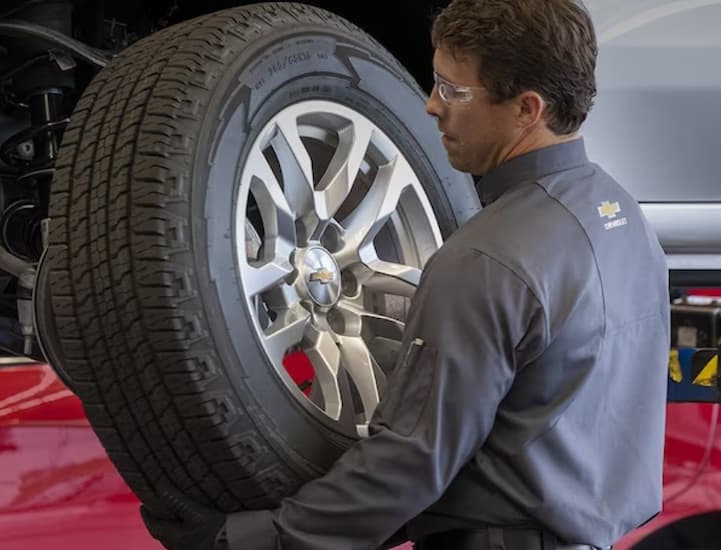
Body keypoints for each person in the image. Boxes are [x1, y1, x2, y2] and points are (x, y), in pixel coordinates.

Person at [141, 0, 671, 548]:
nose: (431, 106)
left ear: (526, 109)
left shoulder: (487, 259)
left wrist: (252, 540)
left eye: (454, 91)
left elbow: (413, 460)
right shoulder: (622, 215)